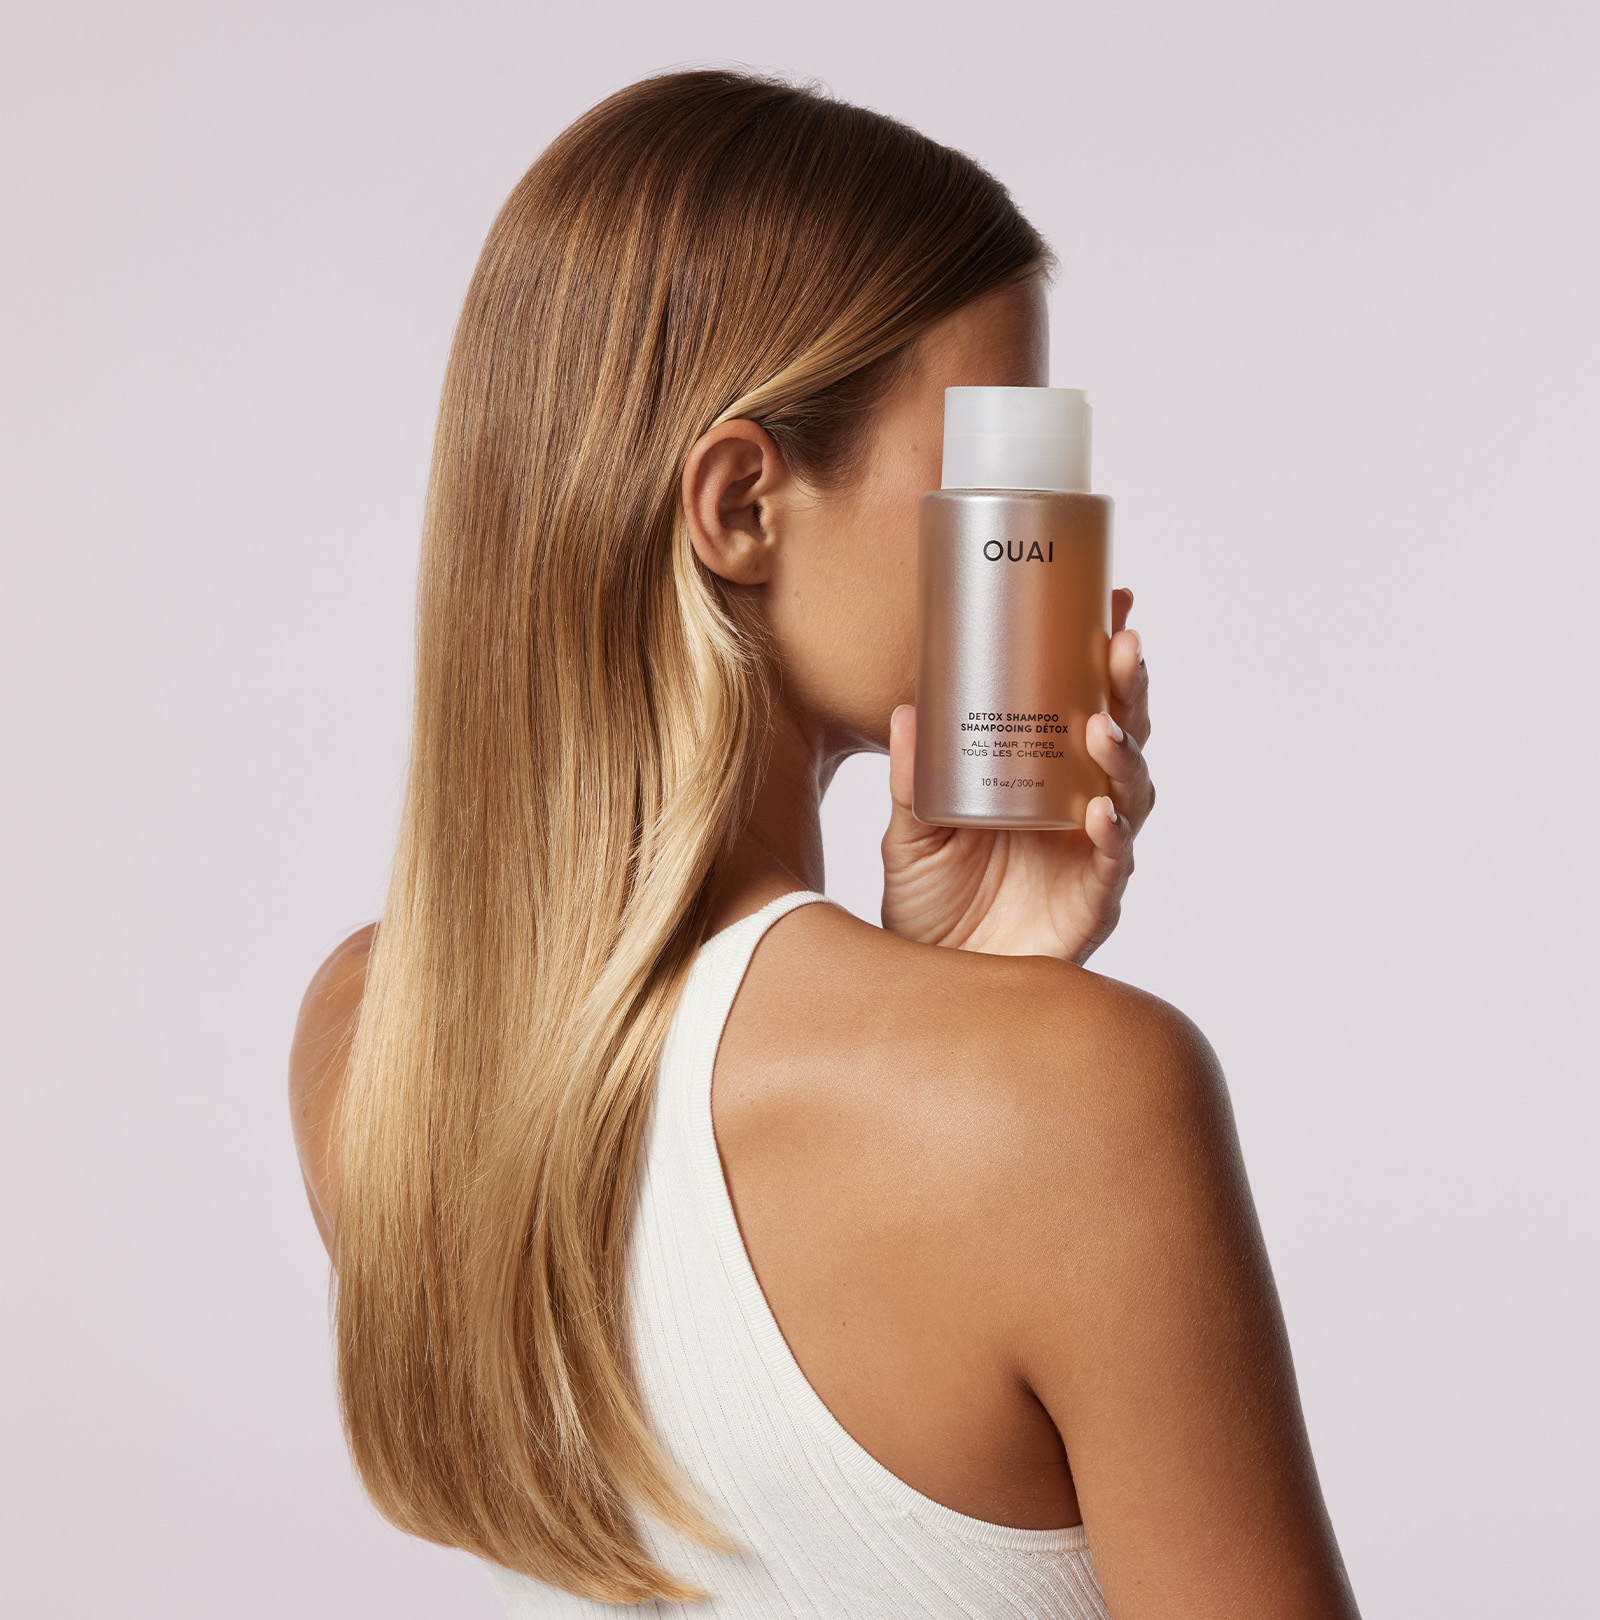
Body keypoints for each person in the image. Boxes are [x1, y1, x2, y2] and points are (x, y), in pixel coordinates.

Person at [290, 69, 1360, 1619]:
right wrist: (995, 1036)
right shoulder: (1084, 1098)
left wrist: (954, 987)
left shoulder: (369, 1045)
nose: (1039, 536)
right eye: (988, 466)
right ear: (741, 504)